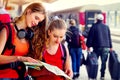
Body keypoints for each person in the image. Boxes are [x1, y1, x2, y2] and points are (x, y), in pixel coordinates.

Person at [0, 2, 47, 80]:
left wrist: (41, 68)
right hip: (5, 76)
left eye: (39, 21)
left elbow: (25, 62)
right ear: (28, 11)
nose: (36, 23)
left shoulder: (29, 34)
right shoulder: (7, 30)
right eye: (36, 18)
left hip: (23, 76)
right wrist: (19, 58)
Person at [86, 13, 112, 80]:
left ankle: (94, 76)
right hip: (106, 47)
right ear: (103, 19)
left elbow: (90, 37)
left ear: (96, 19)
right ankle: (102, 76)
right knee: (104, 62)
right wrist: (111, 46)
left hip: (97, 47)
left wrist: (88, 46)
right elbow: (109, 37)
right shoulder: (106, 27)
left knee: (95, 62)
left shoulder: (94, 26)